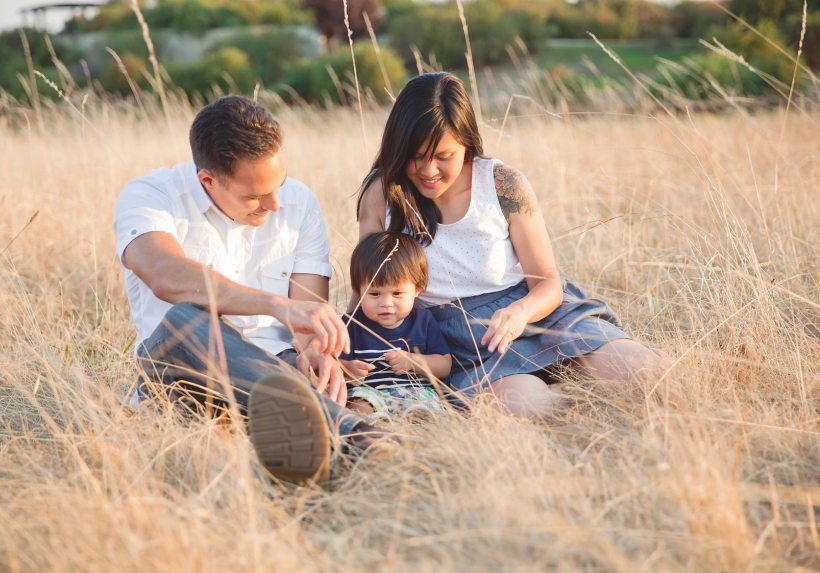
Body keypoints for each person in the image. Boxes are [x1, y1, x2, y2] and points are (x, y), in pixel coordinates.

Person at [356, 72, 665, 418]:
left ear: (467, 143)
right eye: (416, 156)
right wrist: (343, 347)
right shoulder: (382, 194)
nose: (428, 170)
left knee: (644, 374)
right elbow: (366, 283)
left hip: (531, 315)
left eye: (444, 156)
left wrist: (520, 313)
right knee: (531, 408)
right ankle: (564, 390)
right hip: (459, 343)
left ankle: (587, 373)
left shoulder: (503, 184)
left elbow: (548, 284)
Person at [114, 95, 386, 486]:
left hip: (281, 370)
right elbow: (162, 272)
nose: (275, 204)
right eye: (254, 196)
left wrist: (313, 352)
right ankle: (354, 437)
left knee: (289, 377)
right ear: (208, 180)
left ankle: (296, 445)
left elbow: (308, 315)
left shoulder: (299, 202)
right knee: (185, 319)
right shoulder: (150, 196)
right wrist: (277, 306)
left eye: (279, 185)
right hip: (182, 372)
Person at [339, 232, 451, 419]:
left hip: (414, 392)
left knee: (423, 409)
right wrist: (348, 369)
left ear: (417, 288)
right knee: (357, 407)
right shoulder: (351, 324)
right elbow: (334, 363)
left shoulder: (423, 321)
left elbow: (444, 365)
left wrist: (412, 361)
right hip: (369, 393)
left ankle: (418, 429)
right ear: (359, 290)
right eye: (374, 294)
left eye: (397, 293)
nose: (386, 303)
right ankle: (374, 432)